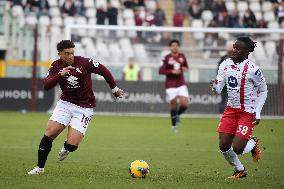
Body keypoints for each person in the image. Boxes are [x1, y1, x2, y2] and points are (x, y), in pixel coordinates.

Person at [27, 40, 124, 175]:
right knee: (50, 133)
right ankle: (39, 168)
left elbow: (103, 70)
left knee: (72, 146)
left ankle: (67, 146)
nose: (71, 56)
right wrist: (60, 75)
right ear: (60, 54)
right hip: (65, 104)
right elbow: (47, 85)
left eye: (72, 53)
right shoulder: (56, 66)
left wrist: (114, 88)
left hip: (85, 107)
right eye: (67, 53)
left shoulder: (84, 63)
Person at [209, 36, 268, 179]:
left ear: (247, 52)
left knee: (238, 148)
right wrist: (215, 86)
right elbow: (218, 89)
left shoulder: (253, 69)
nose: (234, 50)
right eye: (234, 47)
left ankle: (252, 143)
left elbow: (264, 90)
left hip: (247, 112)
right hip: (231, 110)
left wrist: (257, 112)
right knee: (223, 146)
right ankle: (239, 170)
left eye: (238, 49)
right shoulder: (225, 64)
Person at [159, 39, 189, 132]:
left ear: (178, 47)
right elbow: (160, 71)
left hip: (181, 83)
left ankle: (177, 115)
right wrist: (171, 71)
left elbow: (186, 67)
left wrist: (184, 68)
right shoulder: (166, 58)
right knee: (174, 105)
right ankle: (173, 126)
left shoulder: (182, 56)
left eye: (176, 45)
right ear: (170, 47)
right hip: (170, 85)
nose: (175, 47)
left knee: (184, 104)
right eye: (173, 45)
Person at [216, 41, 234, 114]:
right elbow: (218, 70)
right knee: (223, 100)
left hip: (234, 84)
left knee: (234, 101)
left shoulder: (238, 58)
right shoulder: (223, 58)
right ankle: (221, 116)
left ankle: (233, 116)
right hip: (225, 84)